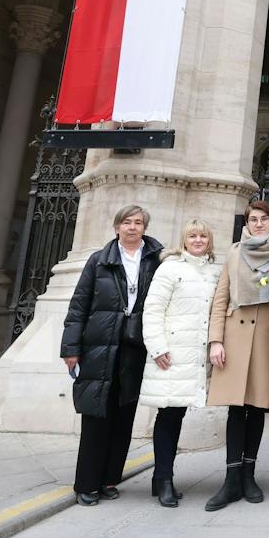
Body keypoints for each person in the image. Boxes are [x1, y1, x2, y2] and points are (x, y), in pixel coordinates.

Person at [62, 204, 162, 506]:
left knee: (123, 416)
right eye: (127, 222)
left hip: (134, 348)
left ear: (145, 227)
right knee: (96, 416)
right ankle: (86, 483)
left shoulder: (155, 260)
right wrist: (71, 348)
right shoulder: (99, 261)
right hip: (99, 345)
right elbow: (78, 305)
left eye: (138, 222)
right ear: (117, 227)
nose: (133, 227)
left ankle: (109, 479)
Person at [204, 200, 269, 511]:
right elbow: (221, 297)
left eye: (264, 219)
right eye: (253, 219)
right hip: (234, 336)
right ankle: (231, 478)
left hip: (267, 338)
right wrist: (215, 340)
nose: (258, 224)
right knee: (235, 410)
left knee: (256, 408)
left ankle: (249, 475)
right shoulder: (234, 251)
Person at [138, 219, 221, 507]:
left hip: (197, 356)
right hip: (171, 354)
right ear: (184, 241)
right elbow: (153, 310)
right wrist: (158, 347)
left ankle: (161, 477)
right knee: (169, 415)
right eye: (193, 236)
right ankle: (163, 479)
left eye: (203, 236)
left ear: (210, 241)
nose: (198, 240)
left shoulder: (214, 272)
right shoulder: (170, 269)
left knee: (178, 415)